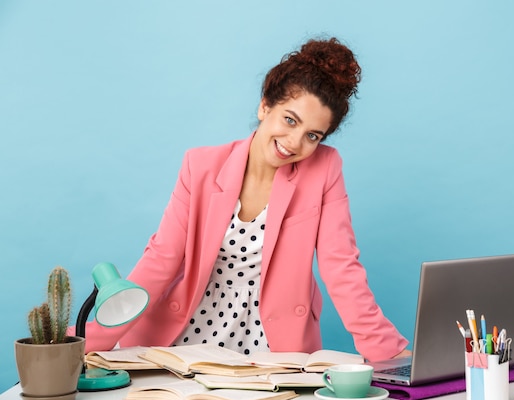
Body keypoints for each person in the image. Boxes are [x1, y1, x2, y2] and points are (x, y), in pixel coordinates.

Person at [81, 36, 410, 362]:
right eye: (290, 120)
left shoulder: (324, 168)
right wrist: (89, 340)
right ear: (265, 106)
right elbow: (162, 259)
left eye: (313, 135)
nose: (294, 142)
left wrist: (387, 353)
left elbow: (341, 266)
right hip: (185, 340)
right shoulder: (201, 166)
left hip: (274, 347)